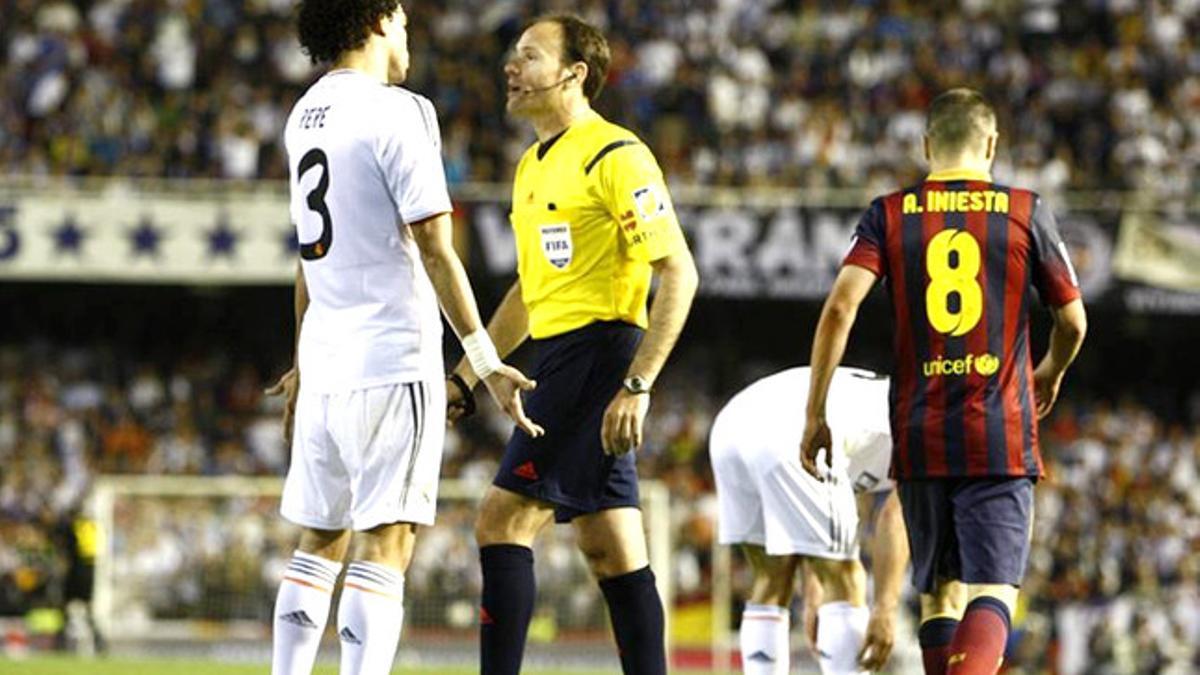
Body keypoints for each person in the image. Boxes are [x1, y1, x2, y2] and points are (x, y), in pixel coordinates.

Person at [265, 3, 542, 674]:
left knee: (320, 539)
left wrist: (302, 360)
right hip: (391, 355)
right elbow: (435, 245)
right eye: (405, 22)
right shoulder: (401, 111)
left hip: (326, 362)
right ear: (379, 21)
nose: (408, 37)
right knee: (386, 542)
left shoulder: (304, 114)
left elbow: (309, 257)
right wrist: (485, 357)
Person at [444, 13, 698, 675]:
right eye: (513, 55)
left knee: (501, 519)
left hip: (602, 353)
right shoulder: (529, 166)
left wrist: (637, 384)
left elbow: (680, 273)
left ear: (575, 73)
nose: (512, 67)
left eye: (529, 56)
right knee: (611, 542)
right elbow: (528, 296)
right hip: (558, 352)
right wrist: (467, 376)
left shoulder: (618, 155)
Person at [801, 88, 1087, 675]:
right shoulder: (1025, 209)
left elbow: (838, 309)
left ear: (928, 145)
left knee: (940, 597)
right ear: (991, 144)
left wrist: (815, 413)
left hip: (919, 435)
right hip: (997, 433)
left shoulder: (887, 213)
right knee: (994, 591)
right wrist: (1051, 371)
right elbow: (1073, 320)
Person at [710, 366, 908, 675]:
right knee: (845, 576)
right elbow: (894, 517)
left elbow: (819, 511)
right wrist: (885, 607)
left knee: (770, 577)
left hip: (731, 424)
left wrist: (814, 587)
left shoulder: (889, 406)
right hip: (795, 430)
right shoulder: (932, 429)